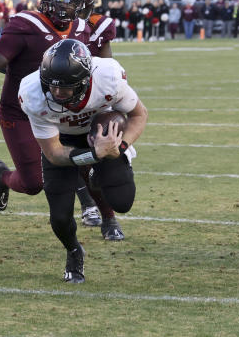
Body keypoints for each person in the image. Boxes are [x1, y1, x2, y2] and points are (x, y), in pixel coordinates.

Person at [18, 39, 148, 282]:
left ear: (85, 80)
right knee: (59, 217)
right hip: (62, 140)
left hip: (102, 134)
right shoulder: (32, 92)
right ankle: (74, 251)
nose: (56, 93)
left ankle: (95, 176)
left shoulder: (108, 77)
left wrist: (117, 147)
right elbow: (55, 154)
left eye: (65, 88)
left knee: (122, 201)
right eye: (52, 86)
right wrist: (94, 155)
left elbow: (139, 115)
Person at [0, 0, 89, 215]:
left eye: (71, 2)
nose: (66, 7)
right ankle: (2, 176)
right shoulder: (25, 24)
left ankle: (95, 212)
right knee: (33, 183)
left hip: (61, 110)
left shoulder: (80, 28)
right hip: (20, 113)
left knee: (79, 159)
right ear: (47, 0)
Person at [76, 0, 123, 239]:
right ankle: (88, 205)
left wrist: (112, 98)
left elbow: (107, 65)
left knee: (99, 155)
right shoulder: (49, 28)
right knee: (66, 156)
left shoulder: (98, 26)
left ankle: (108, 214)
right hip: (59, 97)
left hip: (91, 95)